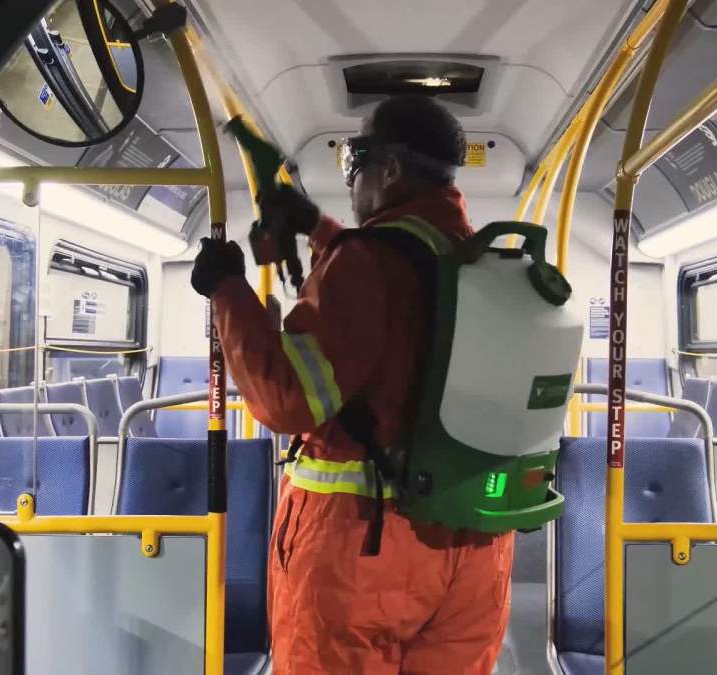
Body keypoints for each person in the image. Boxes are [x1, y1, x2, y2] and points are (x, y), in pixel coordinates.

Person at [190, 95, 512, 674]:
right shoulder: (474, 257)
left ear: (388, 170)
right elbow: (399, 288)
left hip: (365, 546)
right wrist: (317, 227)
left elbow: (288, 397)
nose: (352, 178)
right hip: (474, 543)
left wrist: (227, 291)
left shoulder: (367, 262)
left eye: (356, 159)